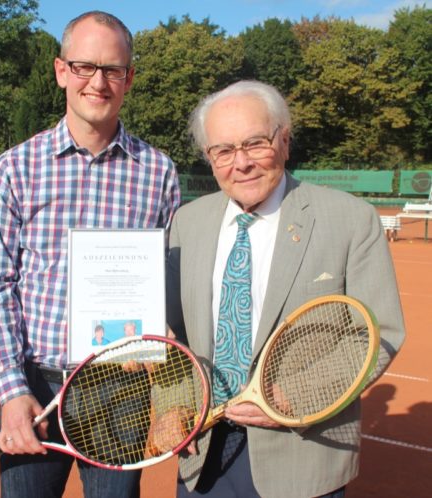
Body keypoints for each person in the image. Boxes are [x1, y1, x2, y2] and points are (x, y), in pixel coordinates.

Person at [0, 10, 180, 498]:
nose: (98, 82)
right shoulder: (14, 169)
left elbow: (167, 280)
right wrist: (11, 390)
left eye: (113, 69)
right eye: (85, 66)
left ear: (129, 78)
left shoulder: (159, 172)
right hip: (36, 388)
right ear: (62, 71)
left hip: (123, 391)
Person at [165, 80, 405, 498]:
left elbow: (380, 332)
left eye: (255, 143)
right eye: (222, 151)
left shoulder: (351, 220)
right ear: (210, 157)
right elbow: (173, 335)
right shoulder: (187, 223)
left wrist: (288, 399)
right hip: (203, 453)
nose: (240, 163)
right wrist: (172, 406)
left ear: (285, 141)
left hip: (300, 454)